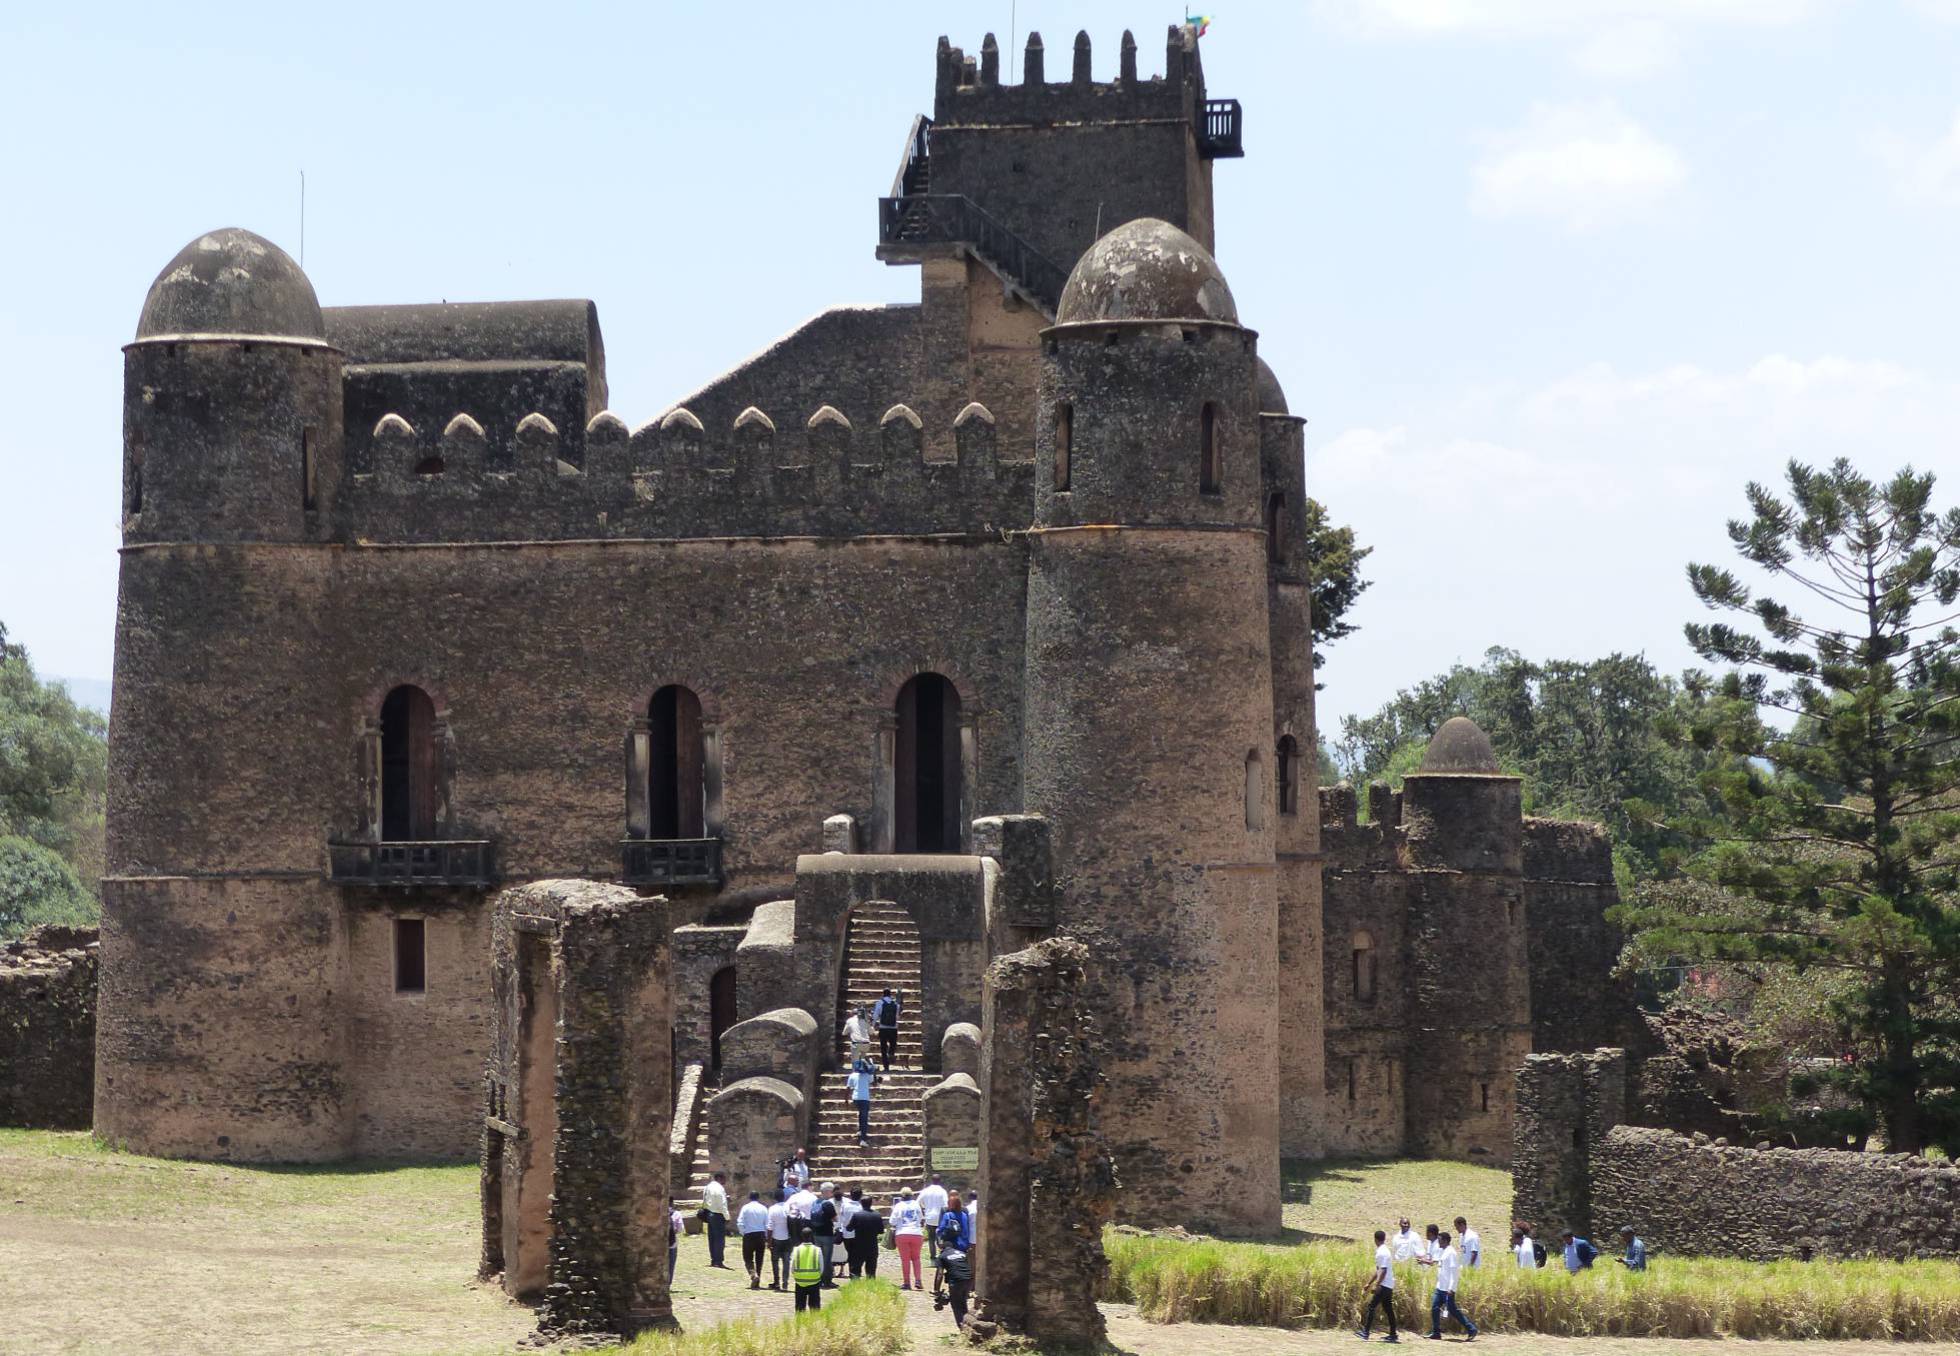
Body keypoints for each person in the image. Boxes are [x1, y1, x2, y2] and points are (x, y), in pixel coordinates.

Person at [1428, 1229, 1478, 1341]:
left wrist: (1451, 1288)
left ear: (1445, 1241)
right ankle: (1436, 1332)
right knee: (1435, 1308)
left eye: (1440, 1240)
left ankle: (1471, 1329)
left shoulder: (1451, 1253)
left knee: (1453, 1311)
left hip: (1447, 1289)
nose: (1438, 1242)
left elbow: (1454, 1272)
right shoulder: (1443, 1251)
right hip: (1440, 1287)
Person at [1356, 1228, 1399, 1342]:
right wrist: (1369, 1283)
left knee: (1371, 1306)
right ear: (1383, 1239)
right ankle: (1393, 1334)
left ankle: (1365, 1333)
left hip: (1384, 1285)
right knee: (1388, 1309)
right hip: (1388, 1284)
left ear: (1375, 1239)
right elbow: (1379, 1271)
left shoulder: (1382, 1252)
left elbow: (1383, 1271)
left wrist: (1376, 1285)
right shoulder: (1383, 1250)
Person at [891, 1188, 926, 1290]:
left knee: (905, 1259)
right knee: (916, 1258)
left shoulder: (898, 1206)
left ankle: (907, 1282)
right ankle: (918, 1280)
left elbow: (892, 1221)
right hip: (916, 1233)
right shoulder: (916, 1204)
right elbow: (920, 1218)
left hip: (902, 1233)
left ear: (902, 1196)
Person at [738, 1191, 771, 1290]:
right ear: (758, 1197)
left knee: (747, 1258)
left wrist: (744, 1232)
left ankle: (753, 1275)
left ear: (749, 1197)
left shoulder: (745, 1208)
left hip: (749, 1234)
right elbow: (767, 1223)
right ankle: (757, 1280)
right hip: (760, 1234)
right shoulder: (763, 1208)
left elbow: (740, 1222)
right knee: (759, 1259)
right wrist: (765, 1236)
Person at [847, 1191, 884, 1278]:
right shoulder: (877, 1215)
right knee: (871, 1269)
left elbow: (849, 1228)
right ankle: (870, 1285)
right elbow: (881, 1231)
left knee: (855, 1268)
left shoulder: (857, 1215)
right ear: (871, 1203)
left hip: (858, 1245)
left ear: (861, 1203)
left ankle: (855, 1285)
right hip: (872, 1245)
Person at [809, 1183, 840, 1288]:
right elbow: (835, 1219)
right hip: (826, 1234)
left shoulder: (815, 1202)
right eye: (831, 1191)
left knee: (818, 1257)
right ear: (827, 1192)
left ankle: (818, 1278)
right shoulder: (828, 1204)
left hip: (816, 1234)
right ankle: (826, 1280)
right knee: (827, 1259)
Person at [791, 1227, 826, 1312]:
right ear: (811, 1236)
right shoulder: (817, 1250)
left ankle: (800, 1322)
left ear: (801, 1236)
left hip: (800, 1281)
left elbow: (792, 1267)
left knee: (800, 1306)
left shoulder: (796, 1250)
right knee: (815, 1306)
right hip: (814, 1280)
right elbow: (821, 1267)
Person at [702, 1171, 731, 1269]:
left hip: (709, 1213)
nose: (725, 1181)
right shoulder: (719, 1188)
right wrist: (727, 1217)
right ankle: (719, 1260)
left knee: (712, 1238)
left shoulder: (708, 1187)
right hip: (718, 1214)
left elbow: (705, 1200)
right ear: (719, 1178)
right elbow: (722, 1204)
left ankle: (714, 1259)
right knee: (719, 1239)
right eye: (724, 1178)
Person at [766, 1189, 794, 1290]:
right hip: (788, 1238)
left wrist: (768, 1242)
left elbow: (770, 1227)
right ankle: (785, 1283)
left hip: (776, 1238)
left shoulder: (772, 1209)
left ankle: (776, 1282)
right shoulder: (789, 1207)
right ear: (784, 1197)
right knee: (786, 1261)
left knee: (775, 1261)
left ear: (775, 1198)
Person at [848, 1058, 878, 1145]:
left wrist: (846, 1099)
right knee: (864, 1118)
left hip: (855, 1099)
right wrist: (874, 1072)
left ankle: (861, 1131)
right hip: (865, 1099)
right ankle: (863, 1140)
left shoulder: (852, 1075)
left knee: (861, 1115)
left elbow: (847, 1088)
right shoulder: (868, 1075)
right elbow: (875, 1084)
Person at [919, 1175, 949, 1262]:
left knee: (931, 1239)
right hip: (940, 1217)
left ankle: (933, 1256)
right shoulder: (942, 1191)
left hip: (929, 1217)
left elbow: (919, 1201)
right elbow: (946, 1205)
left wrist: (924, 1207)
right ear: (940, 1181)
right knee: (940, 1237)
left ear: (931, 1180)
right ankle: (942, 1254)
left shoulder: (926, 1191)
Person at [874, 988, 902, 1069]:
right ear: (890, 995)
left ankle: (886, 1065)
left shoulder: (879, 1003)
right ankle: (891, 1053)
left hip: (883, 1027)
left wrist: (873, 1024)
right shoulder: (896, 1004)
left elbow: (875, 1015)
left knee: (883, 1046)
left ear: (883, 994)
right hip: (893, 1028)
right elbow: (897, 1017)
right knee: (893, 1044)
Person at [668, 1199, 687, 1287]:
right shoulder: (676, 1214)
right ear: (672, 1203)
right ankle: (668, 1283)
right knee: (671, 1264)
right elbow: (680, 1229)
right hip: (671, 1243)